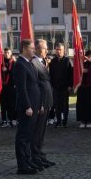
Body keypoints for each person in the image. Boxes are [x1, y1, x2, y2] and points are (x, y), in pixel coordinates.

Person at [12, 40, 41, 174]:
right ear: (24, 48)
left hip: (34, 105)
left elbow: (34, 85)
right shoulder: (20, 65)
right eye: (31, 48)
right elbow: (22, 89)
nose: (33, 50)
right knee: (23, 137)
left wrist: (38, 104)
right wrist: (28, 106)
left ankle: (28, 161)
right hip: (26, 107)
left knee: (29, 136)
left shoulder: (28, 63)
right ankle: (22, 166)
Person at [31, 40, 55, 168]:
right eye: (44, 48)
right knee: (37, 130)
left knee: (42, 131)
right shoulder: (34, 63)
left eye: (46, 48)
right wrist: (39, 103)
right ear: (37, 49)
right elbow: (35, 85)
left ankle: (39, 153)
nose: (47, 50)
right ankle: (34, 155)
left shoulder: (43, 62)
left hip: (46, 101)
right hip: (40, 102)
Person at [48, 43, 73, 127]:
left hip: (65, 87)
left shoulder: (67, 61)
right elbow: (50, 74)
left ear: (63, 50)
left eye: (60, 50)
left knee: (65, 105)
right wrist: (51, 85)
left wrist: (70, 85)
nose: (58, 51)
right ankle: (58, 121)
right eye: (57, 50)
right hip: (55, 87)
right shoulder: (53, 61)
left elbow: (71, 74)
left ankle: (65, 121)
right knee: (57, 105)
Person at [76, 50, 91, 128]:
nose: (88, 58)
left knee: (90, 105)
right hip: (82, 87)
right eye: (87, 56)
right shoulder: (82, 64)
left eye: (90, 56)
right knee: (82, 104)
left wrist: (87, 71)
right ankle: (83, 120)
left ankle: (90, 121)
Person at [0, 48, 16, 127]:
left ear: (11, 53)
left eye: (8, 53)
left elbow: (16, 73)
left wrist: (7, 71)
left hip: (11, 87)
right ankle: (4, 120)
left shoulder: (14, 63)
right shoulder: (0, 62)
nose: (6, 54)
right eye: (5, 53)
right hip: (2, 87)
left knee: (11, 104)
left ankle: (11, 120)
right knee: (3, 104)